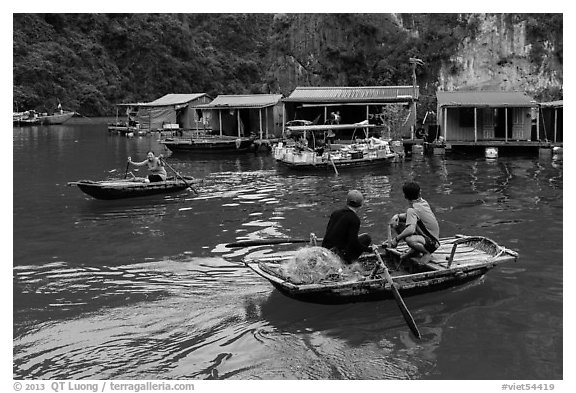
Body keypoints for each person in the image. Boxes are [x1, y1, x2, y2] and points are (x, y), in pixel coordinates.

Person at [385, 181, 440, 264]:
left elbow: (410, 230)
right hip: (432, 240)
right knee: (398, 223)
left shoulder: (412, 210)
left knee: (409, 239)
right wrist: (397, 216)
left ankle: (426, 253)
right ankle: (415, 251)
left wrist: (396, 239)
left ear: (405, 196)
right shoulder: (423, 202)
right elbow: (408, 216)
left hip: (432, 242)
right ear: (419, 193)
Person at [322, 190, 372, 264]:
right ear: (361, 204)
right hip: (338, 255)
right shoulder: (354, 219)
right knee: (366, 238)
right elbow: (353, 242)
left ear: (346, 201)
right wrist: (369, 249)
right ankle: (347, 263)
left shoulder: (335, 213)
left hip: (326, 251)